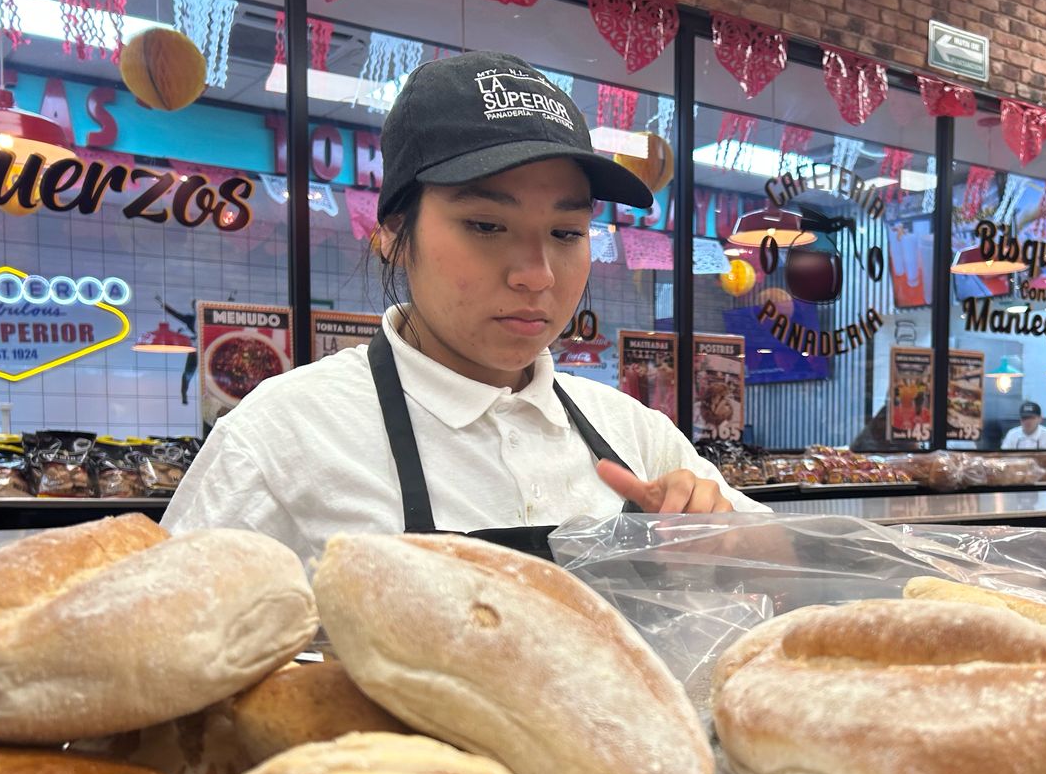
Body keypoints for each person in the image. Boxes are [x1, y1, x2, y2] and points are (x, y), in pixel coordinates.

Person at [164, 51, 768, 563]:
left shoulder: (635, 433)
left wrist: (722, 540)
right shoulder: (281, 439)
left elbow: (800, 577)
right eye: (485, 224)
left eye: (566, 233)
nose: (536, 275)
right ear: (393, 234)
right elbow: (166, 659)